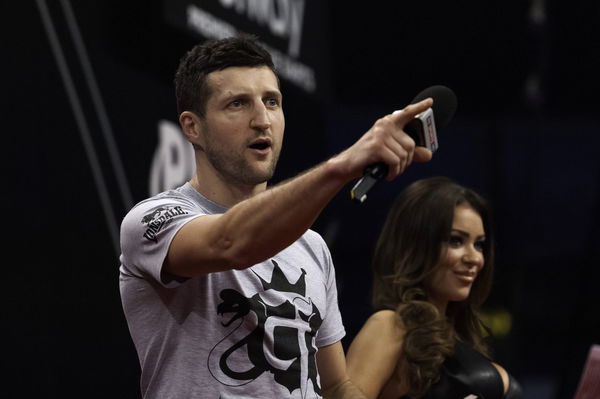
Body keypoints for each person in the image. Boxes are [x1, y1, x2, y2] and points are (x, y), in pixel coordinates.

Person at [118, 34, 434, 399]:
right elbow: (230, 242)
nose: (262, 120)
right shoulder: (152, 220)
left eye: (272, 102)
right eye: (237, 104)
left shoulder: (312, 246)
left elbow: (335, 385)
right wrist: (344, 165)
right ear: (192, 127)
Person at [346, 176, 523, 399]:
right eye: (456, 241)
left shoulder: (462, 341)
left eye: (479, 244)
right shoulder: (389, 326)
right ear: (417, 245)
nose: (474, 258)